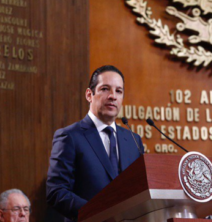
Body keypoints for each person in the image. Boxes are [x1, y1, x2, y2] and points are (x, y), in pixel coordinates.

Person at [46, 65, 144, 221]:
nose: (113, 96)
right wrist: (97, 213)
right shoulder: (69, 136)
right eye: (105, 89)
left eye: (119, 91)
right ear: (89, 94)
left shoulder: (133, 140)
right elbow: (56, 192)